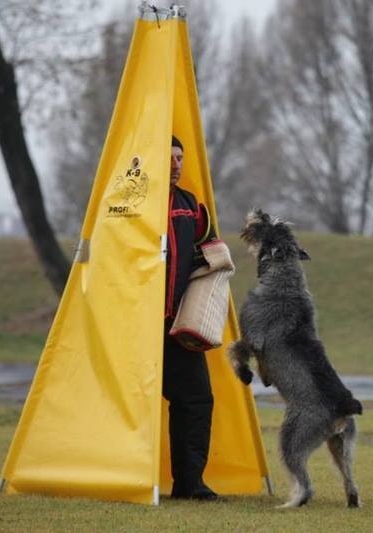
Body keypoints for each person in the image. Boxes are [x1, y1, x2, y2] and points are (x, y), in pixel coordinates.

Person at [163, 135, 220, 501]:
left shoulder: (192, 207)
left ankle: (189, 484)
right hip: (129, 329)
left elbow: (212, 257)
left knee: (197, 399)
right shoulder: (126, 203)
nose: (176, 165)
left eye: (180, 158)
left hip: (174, 329)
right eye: (168, 158)